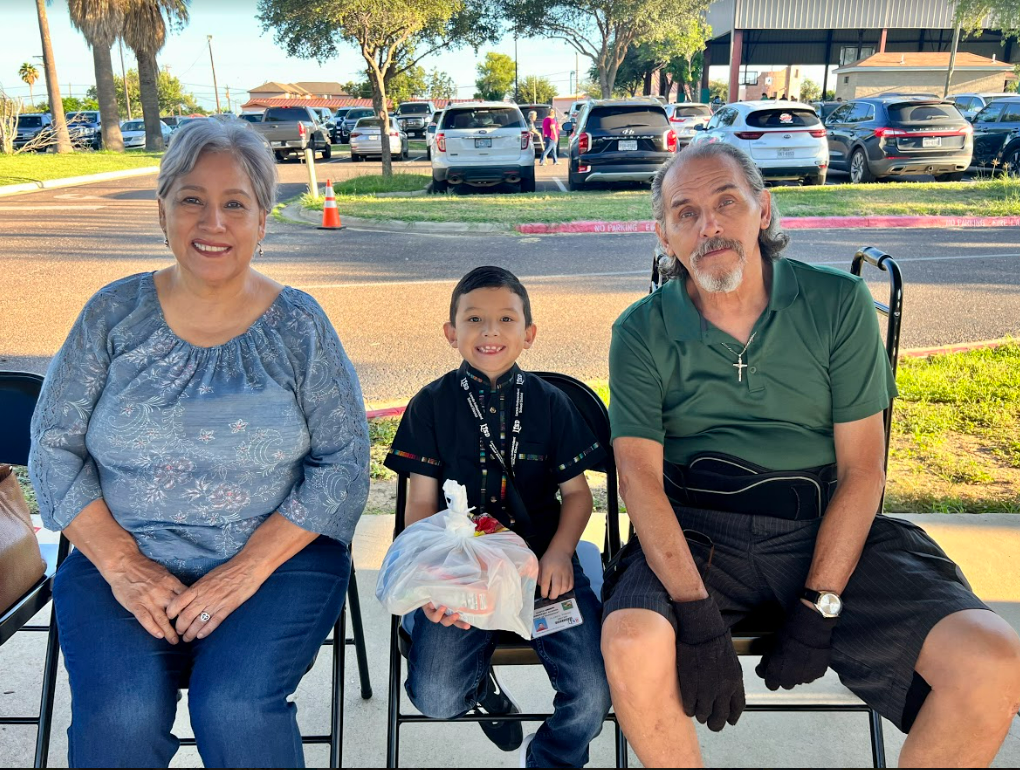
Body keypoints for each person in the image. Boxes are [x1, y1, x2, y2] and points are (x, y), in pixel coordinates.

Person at [600, 142, 1020, 767]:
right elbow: (639, 481)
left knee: (992, 660)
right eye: (685, 213)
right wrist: (696, 614)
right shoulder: (640, 330)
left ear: (762, 211)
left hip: (824, 526)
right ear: (664, 236)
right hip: (696, 537)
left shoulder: (839, 304)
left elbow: (862, 470)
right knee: (631, 640)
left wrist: (820, 603)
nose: (708, 225)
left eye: (726, 203)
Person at [29, 118, 371, 768]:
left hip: (277, 561)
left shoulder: (300, 327)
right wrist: (124, 565)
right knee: (121, 712)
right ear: (163, 210)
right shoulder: (112, 315)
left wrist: (245, 570)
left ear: (263, 221)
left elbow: (346, 465)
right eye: (192, 198)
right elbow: (52, 447)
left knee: (233, 705)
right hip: (119, 560)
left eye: (234, 203)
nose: (212, 221)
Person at [384, 266, 612, 768]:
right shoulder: (430, 405)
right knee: (437, 700)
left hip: (543, 571)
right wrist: (429, 580)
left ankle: (552, 760)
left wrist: (559, 554)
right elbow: (419, 504)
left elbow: (578, 495)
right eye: (474, 319)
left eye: (506, 319)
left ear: (528, 335)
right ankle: (479, 687)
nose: (490, 331)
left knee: (594, 696)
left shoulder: (553, 405)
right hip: (461, 572)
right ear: (452, 333)